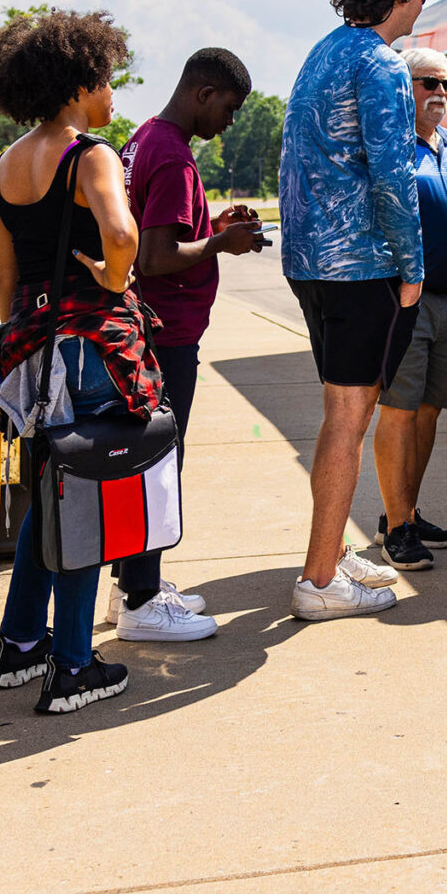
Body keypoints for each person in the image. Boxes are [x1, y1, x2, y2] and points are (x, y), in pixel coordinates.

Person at [0, 12, 159, 715]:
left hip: (32, 347)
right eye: (107, 80)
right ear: (79, 85)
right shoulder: (91, 155)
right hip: (91, 348)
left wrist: (18, 337)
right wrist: (114, 277)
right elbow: (121, 232)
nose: (113, 94)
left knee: (51, 489)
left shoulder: (5, 164)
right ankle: (74, 665)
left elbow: (4, 273)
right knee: (85, 497)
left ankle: (21, 643)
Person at [280, 0, 430, 620]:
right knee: (351, 420)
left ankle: (330, 552)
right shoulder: (382, 63)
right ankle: (319, 582)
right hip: (362, 264)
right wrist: (413, 266)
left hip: (310, 262)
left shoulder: (322, 53)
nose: (422, 6)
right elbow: (394, 173)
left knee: (336, 416)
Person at [108, 48, 266, 642]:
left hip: (143, 328)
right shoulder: (173, 155)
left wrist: (213, 228)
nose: (229, 121)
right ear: (204, 94)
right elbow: (156, 257)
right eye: (229, 108)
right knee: (158, 464)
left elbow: (162, 233)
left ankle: (130, 584)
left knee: (142, 460)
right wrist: (222, 244)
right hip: (165, 335)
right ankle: (143, 602)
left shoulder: (144, 138)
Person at [372, 46, 447, 573]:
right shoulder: (388, 146)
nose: (441, 92)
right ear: (405, 88)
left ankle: (406, 514)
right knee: (399, 409)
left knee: (429, 411)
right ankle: (397, 530)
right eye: (430, 83)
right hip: (404, 300)